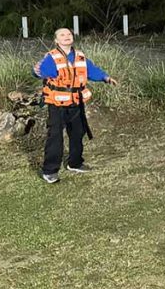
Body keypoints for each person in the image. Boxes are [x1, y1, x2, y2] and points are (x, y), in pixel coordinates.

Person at [33, 28, 117, 184]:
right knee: (55, 136)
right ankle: (50, 171)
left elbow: (91, 70)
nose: (67, 37)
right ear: (56, 40)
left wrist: (105, 77)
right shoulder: (51, 57)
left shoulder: (80, 56)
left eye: (69, 34)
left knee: (78, 132)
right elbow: (40, 71)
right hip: (56, 102)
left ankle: (75, 163)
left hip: (76, 101)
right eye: (62, 35)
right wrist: (36, 71)